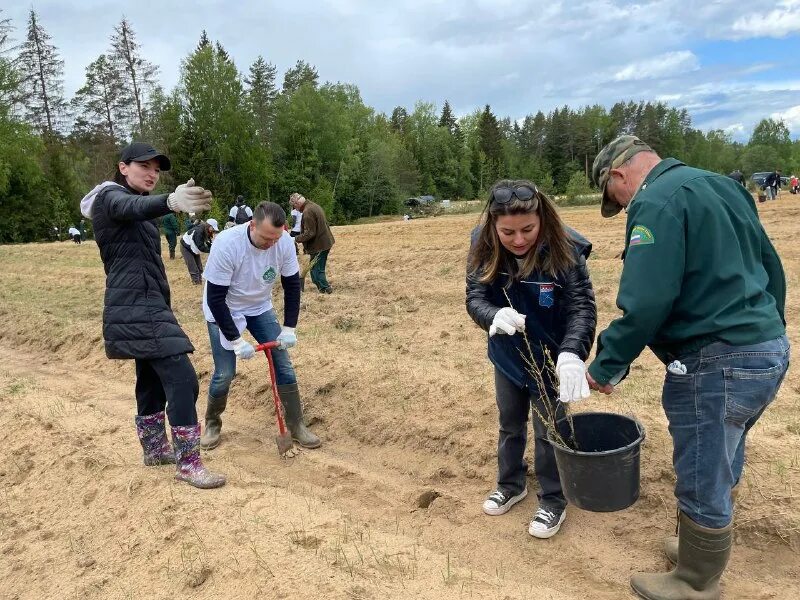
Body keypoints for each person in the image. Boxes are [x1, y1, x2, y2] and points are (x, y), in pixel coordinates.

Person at [587, 135, 788, 599]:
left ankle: (696, 582)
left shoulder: (654, 203)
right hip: (765, 348)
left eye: (613, 197)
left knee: (701, 464)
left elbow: (648, 300)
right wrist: (764, 331)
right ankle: (698, 548)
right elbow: (770, 267)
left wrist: (609, 363)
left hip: (715, 361)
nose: (619, 205)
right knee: (722, 455)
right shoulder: (721, 185)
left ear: (618, 175)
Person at [79, 142, 225, 489]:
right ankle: (189, 462)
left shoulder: (137, 209)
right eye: (145, 166)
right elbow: (129, 205)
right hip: (136, 305)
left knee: (150, 377)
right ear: (123, 167)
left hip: (145, 302)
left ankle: (156, 448)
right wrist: (170, 202)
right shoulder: (109, 198)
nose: (152, 174)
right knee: (182, 378)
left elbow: (138, 212)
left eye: (157, 170)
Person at [466, 179, 597, 539]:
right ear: (494, 226)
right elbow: (474, 298)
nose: (519, 239)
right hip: (508, 355)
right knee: (510, 424)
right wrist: (491, 315)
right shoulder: (482, 245)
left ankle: (554, 499)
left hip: (551, 358)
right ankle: (511, 484)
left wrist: (572, 352)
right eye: (508, 232)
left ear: (542, 219)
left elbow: (581, 308)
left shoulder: (565, 248)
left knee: (549, 430)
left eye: (527, 229)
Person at [199, 202, 320, 450]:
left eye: (275, 238)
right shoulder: (227, 243)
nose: (271, 244)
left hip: (259, 307)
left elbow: (292, 287)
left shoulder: (284, 242)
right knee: (225, 373)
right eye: (266, 238)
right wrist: (236, 340)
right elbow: (215, 299)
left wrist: (289, 328)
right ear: (252, 225)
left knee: (283, 364)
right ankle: (212, 423)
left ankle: (296, 425)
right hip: (225, 308)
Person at [289, 192, 335, 294]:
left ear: (297, 203)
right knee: (314, 268)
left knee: (316, 269)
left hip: (319, 245)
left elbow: (310, 233)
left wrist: (294, 239)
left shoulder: (307, 212)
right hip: (324, 242)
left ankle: (325, 288)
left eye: (294, 206)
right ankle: (322, 287)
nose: (295, 209)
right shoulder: (313, 206)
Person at [180, 218, 219, 284]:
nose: (213, 230)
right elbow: (200, 247)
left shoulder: (207, 231)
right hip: (186, 247)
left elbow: (208, 242)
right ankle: (196, 283)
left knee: (200, 268)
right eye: (213, 228)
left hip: (193, 247)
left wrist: (213, 247)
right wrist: (211, 250)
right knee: (193, 267)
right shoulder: (199, 231)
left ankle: (200, 281)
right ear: (209, 226)